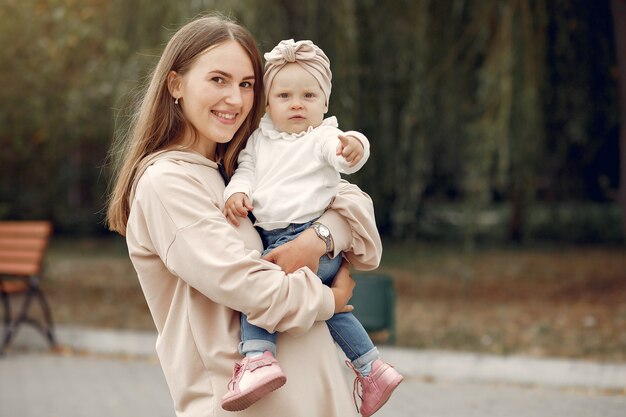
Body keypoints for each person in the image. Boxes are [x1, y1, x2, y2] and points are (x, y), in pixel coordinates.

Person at [106, 14, 388, 417]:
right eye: (218, 80)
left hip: (314, 395)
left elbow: (355, 206)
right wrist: (331, 298)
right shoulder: (167, 183)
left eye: (247, 85)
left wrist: (319, 237)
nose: (235, 100)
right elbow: (248, 285)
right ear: (176, 85)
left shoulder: (238, 172)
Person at [222, 39, 403, 415]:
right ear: (267, 103)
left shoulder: (319, 137)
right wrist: (237, 193)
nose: (297, 103)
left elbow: (343, 149)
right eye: (284, 95)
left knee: (265, 285)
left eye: (309, 94)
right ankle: (372, 368)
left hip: (306, 238)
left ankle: (258, 357)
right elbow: (246, 172)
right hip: (280, 236)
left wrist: (353, 146)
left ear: (325, 102)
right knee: (336, 311)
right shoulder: (259, 140)